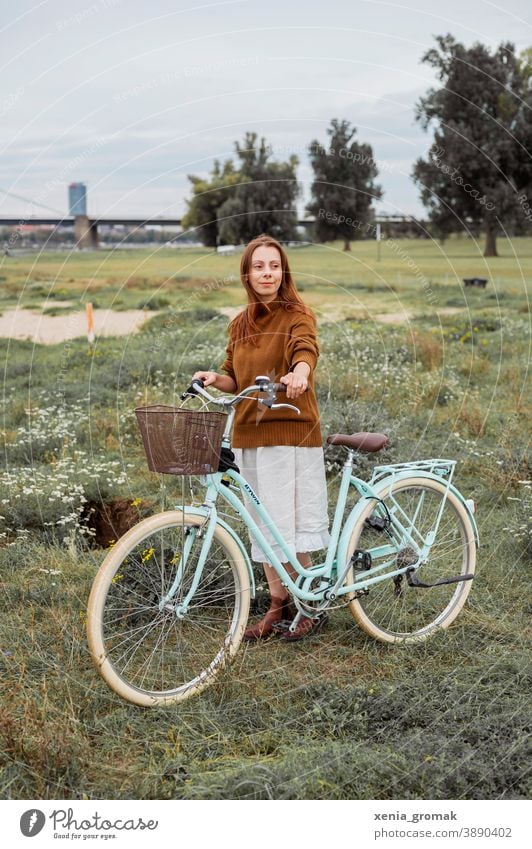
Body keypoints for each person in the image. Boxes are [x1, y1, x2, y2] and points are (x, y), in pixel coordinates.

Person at [193, 234, 330, 641]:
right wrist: (214, 378)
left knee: (292, 518)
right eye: (258, 266)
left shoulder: (297, 315)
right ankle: (277, 602)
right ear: (247, 274)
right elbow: (235, 375)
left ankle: (308, 603)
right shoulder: (241, 323)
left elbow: (306, 350)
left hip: (290, 430)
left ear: (282, 271)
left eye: (273, 265)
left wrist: (299, 374)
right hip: (248, 434)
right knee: (263, 523)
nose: (266, 273)